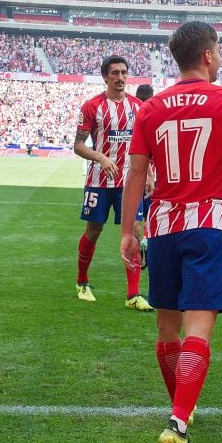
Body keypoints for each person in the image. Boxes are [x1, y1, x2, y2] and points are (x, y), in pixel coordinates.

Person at [119, 21, 222, 443]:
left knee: (167, 330)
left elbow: (136, 173)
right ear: (207, 55)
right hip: (206, 224)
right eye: (218, 50)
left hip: (162, 227)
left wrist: (127, 228)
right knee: (198, 328)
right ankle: (178, 422)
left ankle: (182, 408)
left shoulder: (151, 107)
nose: (219, 56)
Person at [73, 55, 152, 311]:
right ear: (105, 76)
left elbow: (146, 145)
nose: (120, 77)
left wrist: (149, 172)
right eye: (115, 73)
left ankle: (133, 295)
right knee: (93, 232)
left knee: (136, 233)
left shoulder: (139, 108)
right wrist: (101, 158)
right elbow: (78, 145)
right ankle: (82, 281)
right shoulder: (92, 106)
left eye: (124, 73)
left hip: (130, 182)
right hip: (99, 181)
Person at [134, 83, 155, 269]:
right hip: (152, 175)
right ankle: (148, 248)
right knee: (152, 217)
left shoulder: (134, 115)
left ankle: (139, 254)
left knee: (136, 219)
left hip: (134, 176)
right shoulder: (152, 115)